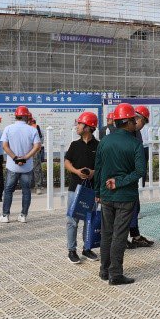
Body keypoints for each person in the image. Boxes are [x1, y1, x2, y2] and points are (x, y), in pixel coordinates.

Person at [94, 103, 145, 285]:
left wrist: (98, 191)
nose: (136, 124)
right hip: (125, 196)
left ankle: (104, 270)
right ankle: (115, 274)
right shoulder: (135, 144)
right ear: (128, 121)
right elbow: (140, 171)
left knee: (107, 233)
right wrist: (120, 182)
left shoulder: (104, 142)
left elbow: (98, 168)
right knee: (119, 235)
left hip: (106, 195)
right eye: (134, 120)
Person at [64, 111, 100, 264]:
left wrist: (93, 173)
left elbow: (103, 166)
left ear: (88, 127)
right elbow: (67, 162)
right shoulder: (74, 145)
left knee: (89, 219)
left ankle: (87, 248)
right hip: (75, 188)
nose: (77, 126)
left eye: (79, 124)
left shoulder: (99, 146)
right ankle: (71, 250)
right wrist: (76, 171)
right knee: (72, 220)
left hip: (91, 189)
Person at [0, 106, 41, 223]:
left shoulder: (8, 128)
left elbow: (5, 146)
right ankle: (23, 215)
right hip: (27, 167)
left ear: (16, 116)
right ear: (26, 117)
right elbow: (37, 146)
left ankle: (5, 215)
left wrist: (15, 158)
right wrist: (25, 158)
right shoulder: (32, 130)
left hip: (12, 166)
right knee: (26, 191)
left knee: (8, 190)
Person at [127, 105, 154, 248]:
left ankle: (135, 235)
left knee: (135, 207)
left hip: (132, 177)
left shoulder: (137, 133)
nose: (143, 126)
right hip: (124, 177)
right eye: (143, 122)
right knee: (127, 208)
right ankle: (122, 237)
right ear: (137, 118)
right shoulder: (125, 134)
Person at [28, 118, 45, 195]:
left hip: (31, 150)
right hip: (35, 150)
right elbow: (42, 140)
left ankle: (36, 186)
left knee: (34, 168)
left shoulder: (33, 128)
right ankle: (37, 186)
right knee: (37, 168)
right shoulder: (38, 129)